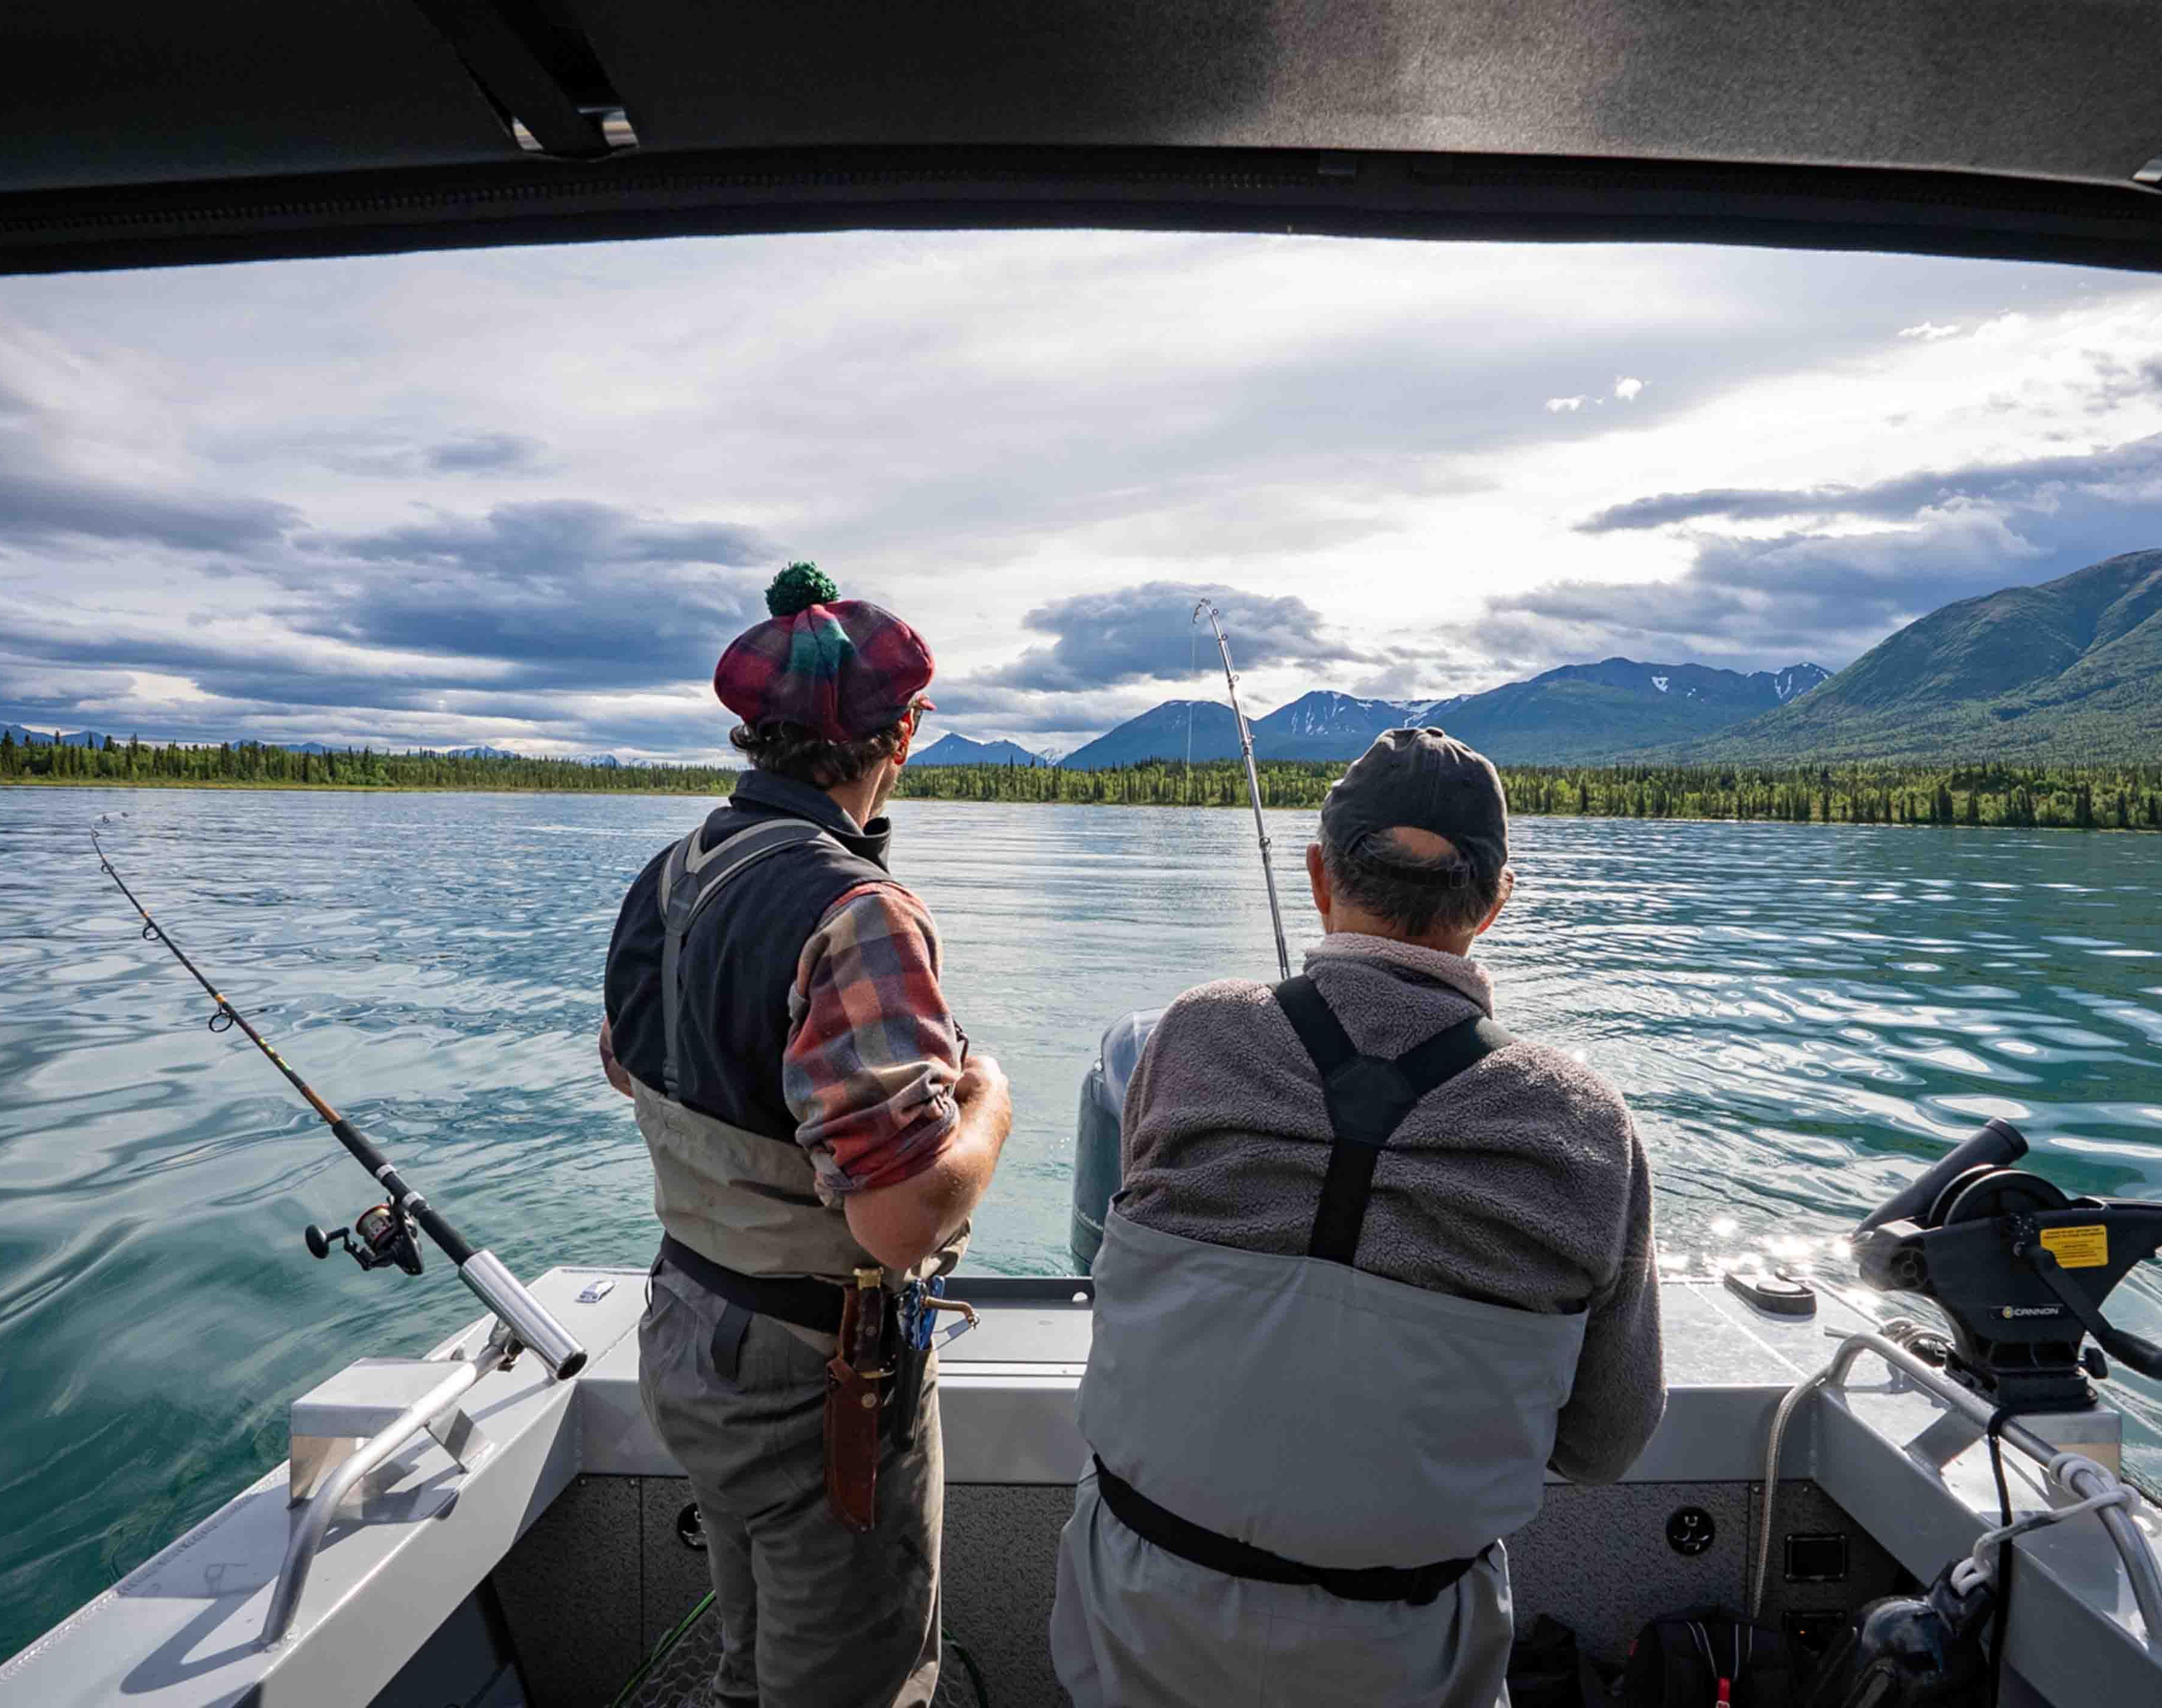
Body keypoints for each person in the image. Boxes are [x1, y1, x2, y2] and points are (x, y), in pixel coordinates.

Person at [1051, 726, 1664, 1708]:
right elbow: (1605, 1443)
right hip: (1406, 1651)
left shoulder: (1193, 1034)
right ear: (1497, 902)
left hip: (1142, 1615)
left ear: (1317, 876)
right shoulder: (1583, 1124)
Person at [599, 562, 1014, 1708]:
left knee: (755, 1668)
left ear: (757, 731)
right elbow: (898, 1222)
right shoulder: (859, 911)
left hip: (689, 1331)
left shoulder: (675, 871)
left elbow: (624, 1057)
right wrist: (989, 1102)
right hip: (810, 1381)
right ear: (905, 732)